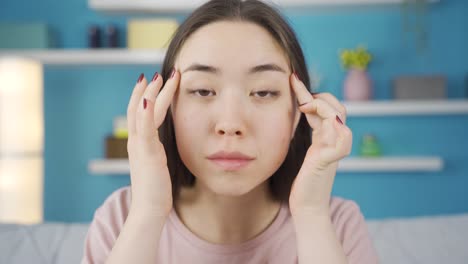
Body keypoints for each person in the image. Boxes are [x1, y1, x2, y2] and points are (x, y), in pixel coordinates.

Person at [81, 0, 379, 263]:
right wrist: (147, 212)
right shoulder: (121, 219)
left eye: (263, 93)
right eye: (202, 90)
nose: (231, 124)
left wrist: (312, 216)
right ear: (167, 108)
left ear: (299, 114)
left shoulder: (337, 225)